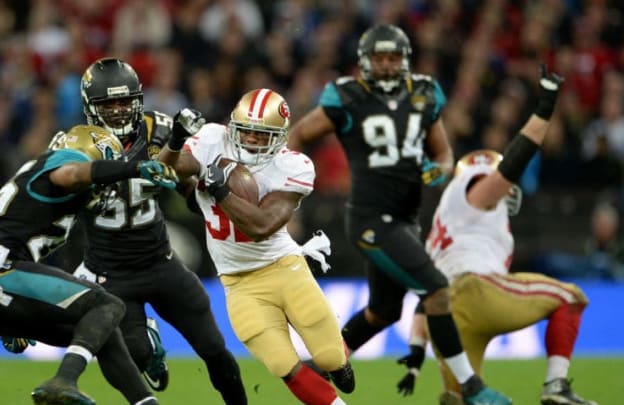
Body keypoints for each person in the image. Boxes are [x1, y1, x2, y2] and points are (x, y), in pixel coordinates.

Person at [287, 24, 510, 405]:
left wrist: (438, 169)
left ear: (405, 60)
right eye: (380, 58)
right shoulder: (349, 97)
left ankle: (316, 369)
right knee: (437, 289)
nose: (388, 66)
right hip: (371, 219)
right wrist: (287, 190)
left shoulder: (422, 94)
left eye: (393, 58)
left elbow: (443, 154)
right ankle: (471, 387)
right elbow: (299, 135)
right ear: (365, 62)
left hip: (406, 218)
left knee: (384, 311)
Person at [397, 66, 597, 405]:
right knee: (570, 297)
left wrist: (417, 351)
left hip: (443, 316)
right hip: (476, 291)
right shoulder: (473, 189)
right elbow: (515, 163)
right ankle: (555, 385)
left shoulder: (445, 223)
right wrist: (544, 110)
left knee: (461, 399)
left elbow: (423, 298)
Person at [160, 88, 354, 405]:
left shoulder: (294, 166)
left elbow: (261, 227)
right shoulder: (213, 139)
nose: (250, 140)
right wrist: (175, 140)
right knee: (281, 363)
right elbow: (168, 168)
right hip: (238, 281)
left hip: (283, 268)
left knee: (330, 357)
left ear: (279, 137)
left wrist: (219, 188)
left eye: (260, 134)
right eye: (246, 131)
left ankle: (339, 362)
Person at [72, 57, 248, 404]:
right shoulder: (75, 145)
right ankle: (150, 348)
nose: (120, 111)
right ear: (92, 108)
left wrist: (205, 197)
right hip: (111, 275)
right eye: (109, 103)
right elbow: (55, 202)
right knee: (137, 355)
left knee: (215, 349)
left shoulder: (160, 128)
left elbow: (184, 181)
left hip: (160, 262)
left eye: (125, 101)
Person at [0, 124, 178, 405]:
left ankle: (145, 402)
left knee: (101, 328)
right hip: (0, 273)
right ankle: (63, 380)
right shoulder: (64, 159)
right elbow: (72, 174)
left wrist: (7, 316)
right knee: (108, 305)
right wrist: (133, 169)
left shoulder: (35, 184)